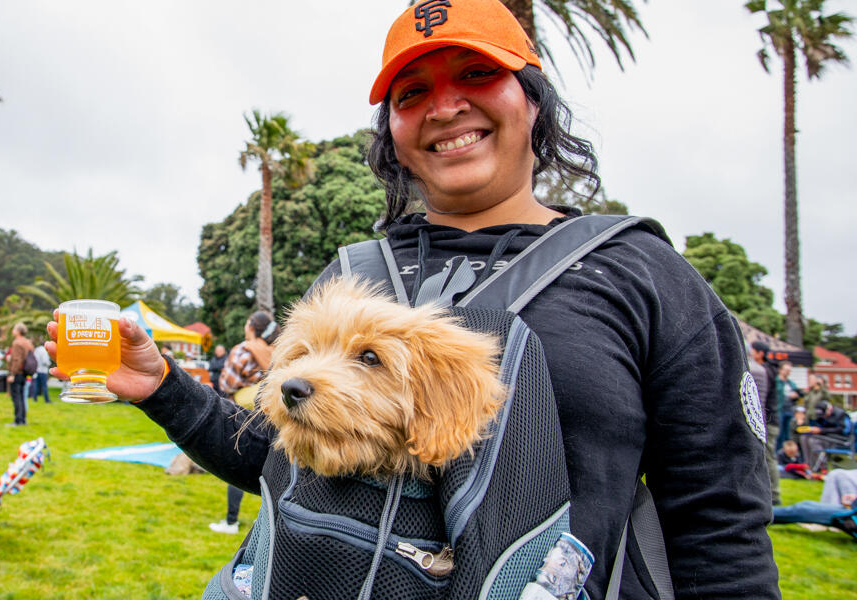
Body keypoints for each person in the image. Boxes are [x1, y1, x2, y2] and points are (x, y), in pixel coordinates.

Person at [58, 2, 779, 597]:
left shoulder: (640, 273)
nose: (445, 106)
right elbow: (284, 462)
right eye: (412, 93)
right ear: (393, 133)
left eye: (476, 74)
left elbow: (719, 520)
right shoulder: (349, 277)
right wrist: (161, 388)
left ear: (533, 99)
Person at [209, 311, 279, 535]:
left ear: (251, 328)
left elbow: (227, 383)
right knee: (273, 470)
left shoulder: (243, 349)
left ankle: (231, 521)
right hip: (270, 416)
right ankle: (272, 527)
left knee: (237, 463)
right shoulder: (277, 350)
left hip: (242, 414)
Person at [750, 340, 782, 504]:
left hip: (768, 420)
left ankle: (774, 495)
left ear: (760, 353)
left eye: (753, 351)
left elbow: (760, 400)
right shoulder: (771, 370)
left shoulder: (765, 371)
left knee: (768, 457)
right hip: (769, 419)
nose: (751, 354)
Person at [800, 401, 851, 471]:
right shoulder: (820, 415)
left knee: (813, 441)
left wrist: (822, 430)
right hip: (824, 436)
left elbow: (843, 430)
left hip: (838, 439)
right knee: (804, 437)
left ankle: (823, 466)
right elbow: (818, 425)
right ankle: (808, 464)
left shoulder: (841, 414)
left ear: (829, 409)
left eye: (824, 414)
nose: (823, 417)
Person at [7, 322, 35, 426]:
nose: (13, 331)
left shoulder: (17, 343)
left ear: (18, 331)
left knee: (16, 397)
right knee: (22, 397)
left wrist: (12, 374)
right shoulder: (28, 343)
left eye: (14, 329)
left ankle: (17, 420)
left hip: (17, 373)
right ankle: (23, 420)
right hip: (25, 373)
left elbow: (16, 360)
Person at [773, 361, 802, 450]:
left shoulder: (791, 383)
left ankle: (787, 453)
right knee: (779, 434)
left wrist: (796, 395)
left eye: (789, 370)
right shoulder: (776, 381)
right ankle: (778, 454)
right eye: (786, 370)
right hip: (779, 410)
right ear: (780, 370)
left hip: (789, 410)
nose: (788, 372)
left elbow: (799, 393)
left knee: (788, 434)